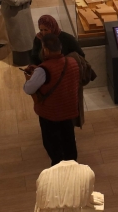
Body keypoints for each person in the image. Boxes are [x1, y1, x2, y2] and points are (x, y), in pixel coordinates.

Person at [23, 34, 80, 165]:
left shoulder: (43, 70)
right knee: (69, 139)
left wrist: (31, 77)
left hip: (50, 113)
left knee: (53, 145)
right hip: (68, 110)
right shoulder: (72, 62)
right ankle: (73, 166)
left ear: (46, 50)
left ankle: (58, 170)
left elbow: (28, 89)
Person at [30, 14, 90, 127]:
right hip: (47, 78)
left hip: (67, 79)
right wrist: (34, 67)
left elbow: (81, 56)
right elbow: (33, 56)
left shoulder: (67, 39)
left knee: (68, 108)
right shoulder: (38, 39)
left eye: (46, 29)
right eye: (41, 29)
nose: (43, 33)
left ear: (53, 27)